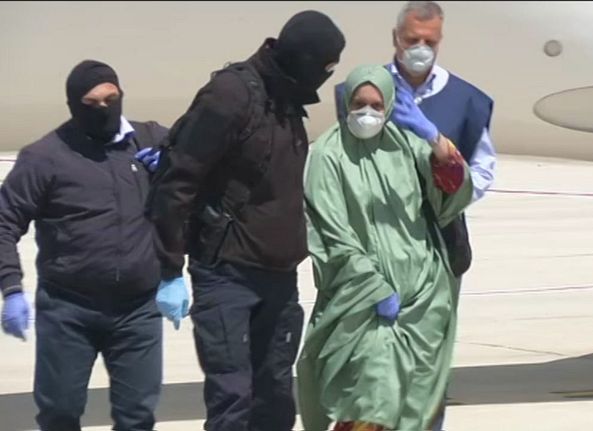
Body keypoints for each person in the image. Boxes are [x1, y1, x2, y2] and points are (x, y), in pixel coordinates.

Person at [145, 11, 345, 431]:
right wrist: (170, 269)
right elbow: (178, 180)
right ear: (305, 59)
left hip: (279, 277)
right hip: (227, 275)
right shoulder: (231, 95)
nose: (326, 78)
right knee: (232, 400)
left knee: (274, 400)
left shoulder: (288, 99)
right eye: (326, 67)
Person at [334, 4, 495, 427]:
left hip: (439, 253)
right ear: (395, 38)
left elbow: (483, 172)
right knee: (368, 368)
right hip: (376, 253)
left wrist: (446, 191)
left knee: (428, 367)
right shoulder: (361, 94)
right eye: (412, 40)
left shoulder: (468, 101)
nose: (420, 49)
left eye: (429, 42)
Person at [297, 64, 473, 431]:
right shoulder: (328, 154)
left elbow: (452, 191)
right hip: (362, 299)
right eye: (359, 104)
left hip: (423, 298)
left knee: (415, 405)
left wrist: (435, 140)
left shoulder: (406, 144)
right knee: (370, 397)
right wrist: (373, 287)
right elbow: (332, 232)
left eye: (377, 106)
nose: (367, 113)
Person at [0, 60, 168, 431]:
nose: (104, 109)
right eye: (91, 104)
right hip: (68, 309)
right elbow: (4, 221)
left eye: (111, 99)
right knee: (59, 413)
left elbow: (207, 155)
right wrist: (11, 287)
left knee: (138, 416)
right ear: (74, 106)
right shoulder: (45, 157)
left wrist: (174, 163)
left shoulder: (150, 139)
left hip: (138, 309)